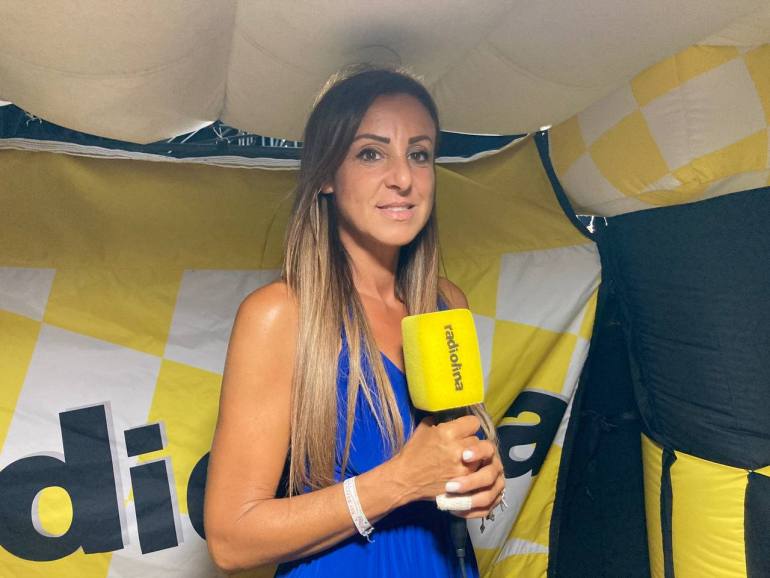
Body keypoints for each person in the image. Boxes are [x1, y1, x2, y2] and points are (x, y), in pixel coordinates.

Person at [203, 65, 505, 577]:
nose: (403, 178)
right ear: (325, 175)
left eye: (419, 154)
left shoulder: (446, 303)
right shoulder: (280, 315)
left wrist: (481, 480)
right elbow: (231, 540)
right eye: (371, 153)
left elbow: (449, 458)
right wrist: (400, 481)